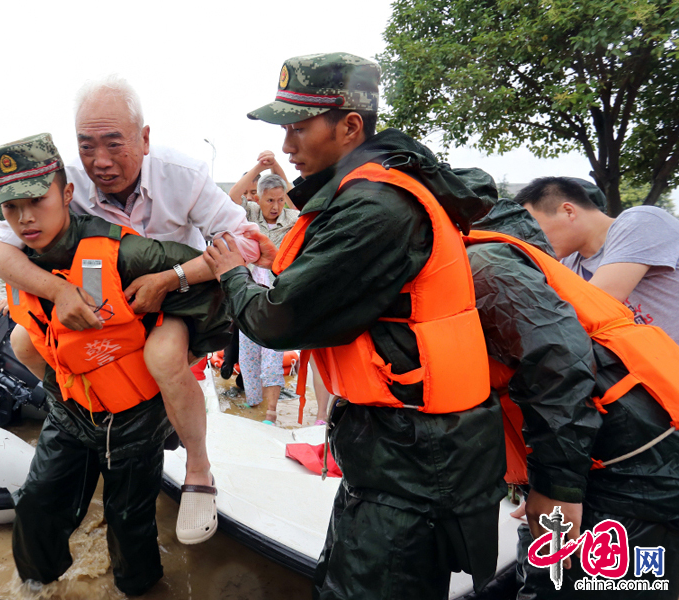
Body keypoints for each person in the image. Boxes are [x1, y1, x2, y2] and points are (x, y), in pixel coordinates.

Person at [203, 52, 506, 600]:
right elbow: (341, 290)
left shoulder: (374, 205)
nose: (288, 146)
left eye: (298, 127)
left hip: (412, 461)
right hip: (392, 449)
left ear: (349, 126)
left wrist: (233, 275)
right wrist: (279, 262)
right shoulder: (367, 192)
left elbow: (277, 319)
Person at [0, 75, 260, 544]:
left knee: (163, 357)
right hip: (101, 281)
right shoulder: (62, 179)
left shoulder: (184, 174)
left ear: (145, 138)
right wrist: (58, 292)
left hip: (177, 288)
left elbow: (246, 241)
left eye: (115, 143)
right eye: (87, 146)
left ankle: (198, 465)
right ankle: (78, 409)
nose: (101, 161)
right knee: (23, 340)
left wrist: (172, 278)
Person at [463, 197, 679, 598]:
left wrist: (554, 488)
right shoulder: (500, 261)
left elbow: (557, 363)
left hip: (632, 465)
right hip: (594, 453)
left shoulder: (486, 264)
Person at [517, 177, 679, 343]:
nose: (532, 239)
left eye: (534, 227)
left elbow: (595, 304)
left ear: (568, 211)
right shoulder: (569, 264)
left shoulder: (641, 221)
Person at [235, 173, 299, 424]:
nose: (275, 206)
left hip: (277, 292)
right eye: (269, 200)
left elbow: (302, 203)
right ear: (258, 198)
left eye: (279, 200)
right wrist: (257, 168)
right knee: (248, 353)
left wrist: (276, 166)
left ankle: (271, 411)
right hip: (250, 291)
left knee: (273, 352)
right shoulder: (250, 214)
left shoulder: (292, 218)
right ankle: (254, 406)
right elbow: (231, 198)